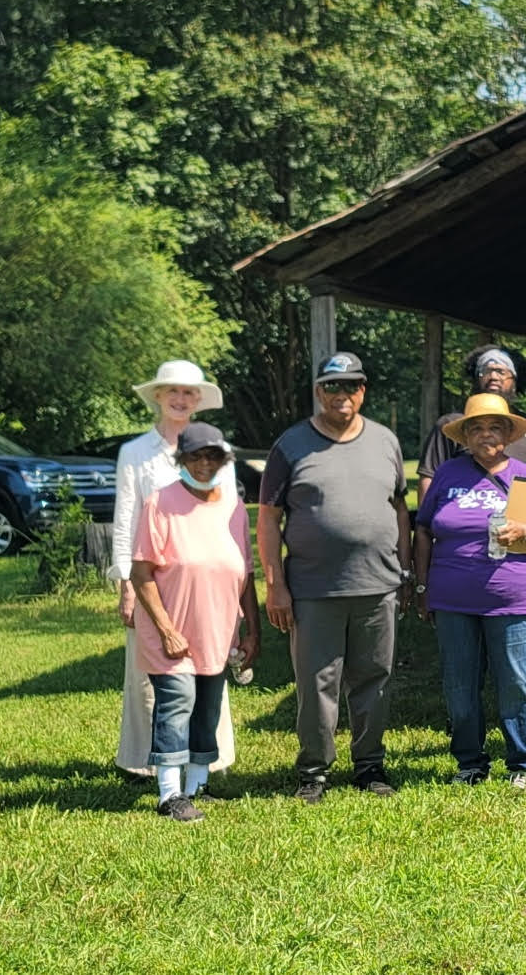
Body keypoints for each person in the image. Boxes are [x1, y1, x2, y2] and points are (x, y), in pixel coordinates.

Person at [258, 352, 411, 802]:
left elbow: (399, 507)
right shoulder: (290, 445)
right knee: (316, 683)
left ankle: (370, 766)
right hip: (312, 589)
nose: (342, 395)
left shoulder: (386, 441)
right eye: (332, 386)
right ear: (318, 392)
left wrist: (404, 568)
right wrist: (276, 585)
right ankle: (313, 772)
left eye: (351, 386)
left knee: (374, 678)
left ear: (363, 391)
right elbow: (267, 519)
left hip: (378, 584)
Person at [413, 393, 526, 790]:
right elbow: (425, 529)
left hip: (512, 597)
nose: (486, 435)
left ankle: (522, 764)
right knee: (459, 683)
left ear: (507, 434)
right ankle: (469, 762)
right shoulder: (448, 474)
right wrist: (422, 584)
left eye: (495, 427)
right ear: (464, 435)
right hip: (452, 598)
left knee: (515, 682)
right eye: (477, 428)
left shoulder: (525, 475)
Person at [111, 360, 238, 780]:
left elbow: (229, 517)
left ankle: (207, 759)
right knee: (151, 675)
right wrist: (126, 583)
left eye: (189, 393)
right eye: (173, 393)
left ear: (198, 400)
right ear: (159, 398)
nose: (181, 400)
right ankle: (147, 763)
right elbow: (126, 517)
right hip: (152, 576)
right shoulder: (136, 453)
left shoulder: (219, 451)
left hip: (205, 581)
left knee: (209, 670)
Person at [129, 423, 261, 822]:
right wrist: (168, 630)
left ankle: (196, 787)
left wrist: (254, 631)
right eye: (195, 456)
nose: (204, 463)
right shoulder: (160, 503)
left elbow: (246, 574)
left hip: (218, 631)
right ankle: (169, 794)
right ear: (181, 460)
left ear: (225, 460)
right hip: (172, 633)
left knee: (208, 707)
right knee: (176, 703)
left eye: (213, 456)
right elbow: (141, 573)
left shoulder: (233, 508)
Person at [416, 345, 526, 505]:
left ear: (515, 381)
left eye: (501, 372)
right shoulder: (452, 424)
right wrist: (426, 525)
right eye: (485, 371)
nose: (493, 376)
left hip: (524, 521)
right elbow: (429, 477)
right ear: (476, 379)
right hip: (464, 518)